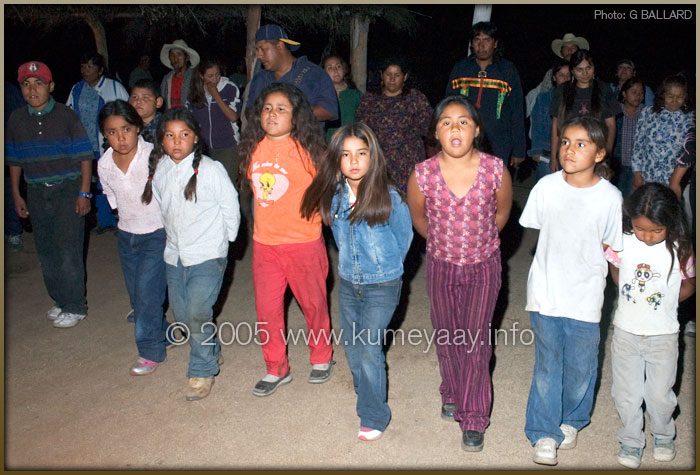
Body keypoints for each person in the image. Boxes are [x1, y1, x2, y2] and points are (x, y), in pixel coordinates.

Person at [406, 95, 513, 452]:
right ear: (436, 131)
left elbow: (500, 216)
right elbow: (420, 220)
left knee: (475, 340)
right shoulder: (422, 174)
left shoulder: (496, 169)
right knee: (448, 334)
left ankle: (473, 415)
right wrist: (446, 245)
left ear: (477, 130)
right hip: (441, 265)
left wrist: (476, 243)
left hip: (483, 265)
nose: (455, 128)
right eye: (447, 122)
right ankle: (451, 390)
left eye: (463, 121)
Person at [520, 116, 623, 466]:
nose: (570, 150)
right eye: (565, 142)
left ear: (600, 153)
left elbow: (614, 248)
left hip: (586, 295)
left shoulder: (610, 198)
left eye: (581, 144)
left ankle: (572, 420)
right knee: (548, 366)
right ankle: (543, 433)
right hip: (547, 291)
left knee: (581, 367)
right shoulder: (546, 187)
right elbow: (536, 232)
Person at [301, 122, 413, 441]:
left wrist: (386, 267)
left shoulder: (390, 196)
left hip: (383, 284)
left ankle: (374, 413)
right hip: (349, 283)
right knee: (352, 347)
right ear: (337, 159)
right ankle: (367, 392)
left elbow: (404, 239)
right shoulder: (334, 197)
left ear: (372, 157)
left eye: (361, 154)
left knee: (368, 347)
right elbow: (337, 237)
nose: (353, 161)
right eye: (346, 154)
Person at [237, 83, 334, 397]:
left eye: (281, 108)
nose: (272, 114)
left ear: (296, 117)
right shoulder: (253, 147)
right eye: (267, 108)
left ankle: (321, 357)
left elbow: (330, 190)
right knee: (267, 311)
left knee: (314, 305)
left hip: (304, 243)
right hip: (265, 245)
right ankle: (276, 367)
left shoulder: (310, 151)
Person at [141, 107, 240, 400]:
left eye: (184, 134)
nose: (176, 141)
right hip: (175, 255)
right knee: (183, 316)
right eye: (169, 135)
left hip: (208, 254)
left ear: (195, 138)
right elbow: (163, 205)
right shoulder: (160, 170)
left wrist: (226, 242)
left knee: (198, 312)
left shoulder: (211, 170)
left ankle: (202, 369)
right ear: (161, 140)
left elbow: (230, 206)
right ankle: (209, 349)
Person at [605, 183, 695, 468]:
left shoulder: (680, 248)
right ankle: (631, 440)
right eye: (641, 228)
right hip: (626, 331)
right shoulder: (622, 240)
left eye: (656, 231)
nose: (647, 236)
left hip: (663, 335)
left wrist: (670, 300)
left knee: (660, 394)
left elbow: (689, 283)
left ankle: (663, 433)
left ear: (670, 222)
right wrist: (622, 282)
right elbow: (614, 266)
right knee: (625, 392)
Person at [6, 61, 94, 328]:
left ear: (51, 86)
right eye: (26, 84)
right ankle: (60, 300)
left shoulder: (67, 116)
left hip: (67, 189)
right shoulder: (16, 119)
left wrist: (85, 193)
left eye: (39, 83)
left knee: (68, 249)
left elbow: (85, 157)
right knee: (46, 250)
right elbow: (14, 161)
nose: (33, 89)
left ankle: (76, 306)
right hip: (35, 190)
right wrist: (16, 196)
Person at [97, 100, 169, 374]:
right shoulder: (104, 164)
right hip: (127, 237)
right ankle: (165, 332)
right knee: (137, 296)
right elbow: (114, 203)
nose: (120, 137)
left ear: (138, 127)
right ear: (104, 135)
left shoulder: (154, 156)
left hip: (156, 235)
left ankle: (150, 351)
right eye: (111, 132)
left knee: (147, 295)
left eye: (126, 129)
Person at [445, 21, 526, 168]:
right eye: (477, 40)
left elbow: (517, 111)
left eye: (487, 40)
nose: (481, 45)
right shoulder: (461, 69)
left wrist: (519, 149)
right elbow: (448, 106)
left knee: (493, 189)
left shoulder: (507, 70)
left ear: (495, 43)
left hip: (499, 143)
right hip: (464, 140)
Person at [66, 52, 129, 231]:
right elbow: (69, 115)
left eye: (90, 66)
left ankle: (120, 220)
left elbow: (127, 114)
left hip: (108, 145)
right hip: (84, 145)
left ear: (100, 70)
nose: (86, 71)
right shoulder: (77, 89)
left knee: (111, 182)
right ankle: (102, 221)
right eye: (83, 66)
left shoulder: (114, 88)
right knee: (90, 183)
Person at [356, 58, 432, 190]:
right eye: (388, 74)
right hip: (379, 165)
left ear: (405, 77)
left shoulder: (416, 99)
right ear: (381, 75)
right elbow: (361, 131)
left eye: (397, 75)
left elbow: (429, 129)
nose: (392, 79)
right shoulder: (369, 99)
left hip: (409, 166)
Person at [245, 24, 338, 126]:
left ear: (280, 46)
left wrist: (287, 113)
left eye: (262, 48)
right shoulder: (260, 78)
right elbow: (249, 111)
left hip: (305, 140)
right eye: (257, 50)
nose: (259, 55)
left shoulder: (313, 73)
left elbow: (329, 110)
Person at [549, 50, 620, 172]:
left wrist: (606, 155)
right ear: (572, 71)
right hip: (569, 151)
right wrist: (554, 158)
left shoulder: (604, 89)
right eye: (579, 69)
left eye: (588, 68)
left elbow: (611, 126)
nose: (585, 73)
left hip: (595, 152)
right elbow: (556, 126)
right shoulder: (562, 91)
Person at [632, 74, 694, 189]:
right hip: (647, 177)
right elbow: (638, 144)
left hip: (672, 182)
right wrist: (636, 172)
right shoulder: (648, 113)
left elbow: (688, 153)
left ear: (685, 97)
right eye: (670, 96)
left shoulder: (690, 119)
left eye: (679, 96)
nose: (674, 100)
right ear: (663, 94)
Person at [186, 58, 241, 183]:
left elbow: (233, 117)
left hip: (228, 146)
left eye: (217, 74)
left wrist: (216, 96)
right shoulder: (195, 92)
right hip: (205, 148)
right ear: (201, 76)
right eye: (210, 76)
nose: (215, 79)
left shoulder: (230, 88)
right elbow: (189, 119)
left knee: (227, 184)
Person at [525, 33, 589, 118]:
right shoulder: (551, 73)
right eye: (566, 48)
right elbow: (541, 94)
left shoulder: (587, 71)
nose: (569, 51)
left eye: (573, 48)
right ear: (561, 52)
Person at [528, 60, 571, 181]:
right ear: (554, 77)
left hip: (570, 154)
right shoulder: (543, 98)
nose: (565, 78)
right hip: (546, 153)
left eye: (568, 75)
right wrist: (536, 151)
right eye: (561, 75)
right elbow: (536, 126)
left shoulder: (578, 99)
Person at [612, 78, 646, 197]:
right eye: (634, 92)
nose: (638, 95)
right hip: (617, 165)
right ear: (624, 94)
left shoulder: (646, 113)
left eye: (641, 93)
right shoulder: (614, 111)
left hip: (636, 168)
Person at [5, 80, 26, 250]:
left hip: (8, 148)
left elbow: (19, 120)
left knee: (9, 190)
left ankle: (13, 232)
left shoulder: (9, 91)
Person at [322, 54, 362, 143]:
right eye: (330, 68)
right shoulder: (320, 97)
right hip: (328, 148)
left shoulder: (355, 95)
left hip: (351, 145)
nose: (335, 70)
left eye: (338, 66)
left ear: (344, 69)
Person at [159, 39, 200, 109]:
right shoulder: (166, 79)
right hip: (171, 118)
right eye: (172, 55)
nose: (175, 58)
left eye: (179, 54)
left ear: (186, 58)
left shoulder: (195, 77)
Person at [129, 78, 164, 145]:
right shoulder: (127, 126)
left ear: (158, 102)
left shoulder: (165, 127)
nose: (138, 102)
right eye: (135, 97)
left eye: (145, 98)